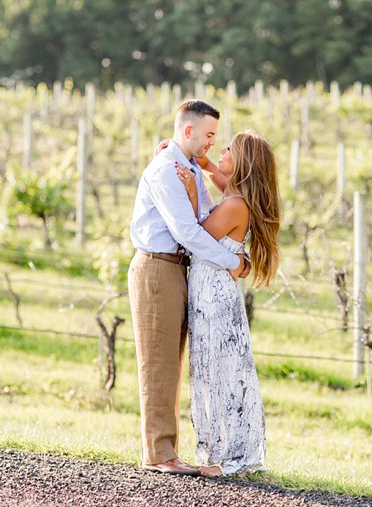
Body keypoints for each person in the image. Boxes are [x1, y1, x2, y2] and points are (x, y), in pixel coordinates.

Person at [127, 99, 249, 476]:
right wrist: (234, 263)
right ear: (188, 130)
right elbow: (188, 232)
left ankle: (169, 450)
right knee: (159, 364)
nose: (213, 141)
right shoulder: (167, 170)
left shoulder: (190, 168)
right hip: (158, 269)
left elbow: (204, 217)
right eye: (209, 134)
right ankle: (159, 454)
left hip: (179, 269)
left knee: (174, 363)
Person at [174, 129, 281, 477]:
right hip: (216, 290)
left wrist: (191, 191)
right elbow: (220, 176)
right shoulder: (237, 196)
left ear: (243, 164)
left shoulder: (235, 205)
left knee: (219, 372)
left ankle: (229, 459)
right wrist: (199, 161)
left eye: (229, 150)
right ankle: (225, 452)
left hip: (214, 293)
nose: (220, 150)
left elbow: (197, 234)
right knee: (220, 370)